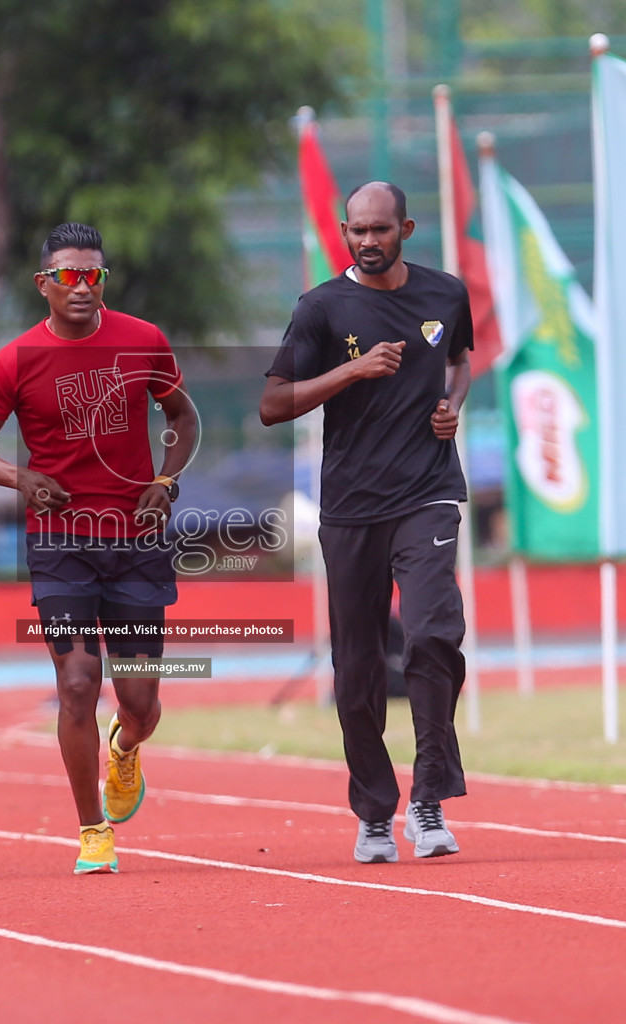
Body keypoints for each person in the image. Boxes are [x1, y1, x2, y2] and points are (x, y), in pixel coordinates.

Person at [0, 222, 197, 874]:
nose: (82, 286)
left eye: (93, 275)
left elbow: (182, 417)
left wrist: (166, 479)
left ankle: (126, 745)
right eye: (68, 275)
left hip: (136, 542)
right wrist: (20, 478)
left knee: (140, 699)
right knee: (78, 683)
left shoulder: (142, 340)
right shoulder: (16, 360)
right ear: (44, 285)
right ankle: (94, 830)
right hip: (60, 544)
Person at [259, 181, 471, 864]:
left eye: (380, 230)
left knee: (435, 634)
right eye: (357, 231)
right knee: (357, 671)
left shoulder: (445, 295)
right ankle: (374, 813)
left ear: (404, 227)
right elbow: (273, 404)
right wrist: (349, 372)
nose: (368, 242)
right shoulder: (322, 308)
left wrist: (451, 403)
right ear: (345, 232)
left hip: (428, 492)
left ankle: (430, 798)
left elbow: (460, 360)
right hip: (350, 508)